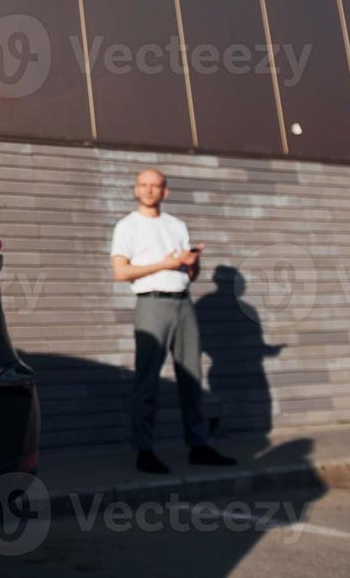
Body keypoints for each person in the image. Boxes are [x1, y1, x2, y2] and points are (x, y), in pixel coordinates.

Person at [110, 167, 236, 475]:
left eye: (156, 185)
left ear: (166, 191)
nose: (150, 190)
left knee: (191, 378)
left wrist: (192, 263)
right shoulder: (127, 226)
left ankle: (198, 445)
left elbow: (190, 275)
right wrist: (164, 264)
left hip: (183, 303)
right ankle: (144, 450)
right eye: (144, 185)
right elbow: (121, 272)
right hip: (151, 304)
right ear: (136, 190)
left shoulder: (177, 225)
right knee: (147, 381)